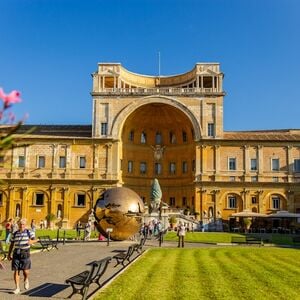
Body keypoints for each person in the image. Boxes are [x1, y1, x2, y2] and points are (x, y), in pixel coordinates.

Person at [7, 218, 37, 295]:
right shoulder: (15, 233)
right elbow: (11, 244)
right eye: (20, 224)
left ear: (25, 225)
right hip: (16, 253)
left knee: (25, 271)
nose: (21, 226)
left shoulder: (29, 232)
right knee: (16, 270)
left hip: (25, 253)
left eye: (23, 224)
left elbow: (36, 240)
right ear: (18, 225)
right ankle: (17, 288)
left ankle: (26, 279)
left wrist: (31, 241)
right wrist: (9, 254)